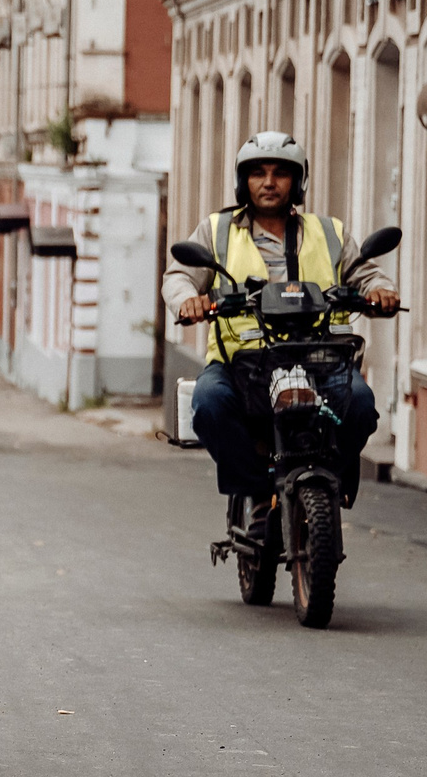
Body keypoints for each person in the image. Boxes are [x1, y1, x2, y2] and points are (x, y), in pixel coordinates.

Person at [163, 132, 397, 525]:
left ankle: (330, 479)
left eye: (279, 173)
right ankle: (254, 491)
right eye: (258, 173)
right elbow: (179, 276)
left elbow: (366, 275)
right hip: (242, 362)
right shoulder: (217, 230)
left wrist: (380, 292)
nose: (269, 182)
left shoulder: (329, 232)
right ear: (243, 181)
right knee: (208, 403)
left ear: (297, 181)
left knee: (360, 405)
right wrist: (189, 299)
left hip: (321, 359)